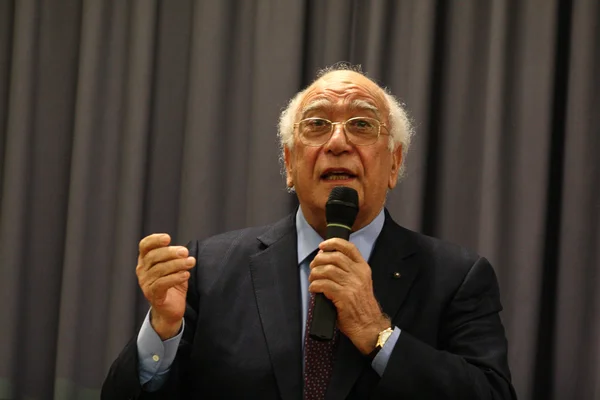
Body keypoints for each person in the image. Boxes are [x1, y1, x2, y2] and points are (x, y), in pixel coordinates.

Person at [102, 64, 517, 399]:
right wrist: (162, 331)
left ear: (394, 164)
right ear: (288, 162)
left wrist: (379, 334)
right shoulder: (209, 269)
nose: (337, 142)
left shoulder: (457, 277)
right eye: (317, 125)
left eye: (361, 125)